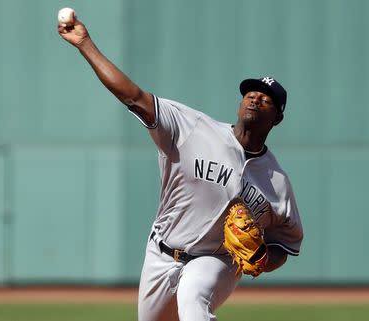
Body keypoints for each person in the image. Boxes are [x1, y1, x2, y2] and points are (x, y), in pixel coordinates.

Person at [58, 17, 303, 321]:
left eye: (267, 99)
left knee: (193, 302)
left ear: (277, 117)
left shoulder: (276, 181)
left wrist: (265, 259)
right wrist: (85, 44)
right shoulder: (192, 128)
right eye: (250, 94)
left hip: (217, 260)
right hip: (161, 252)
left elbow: (285, 242)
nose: (256, 98)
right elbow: (133, 96)